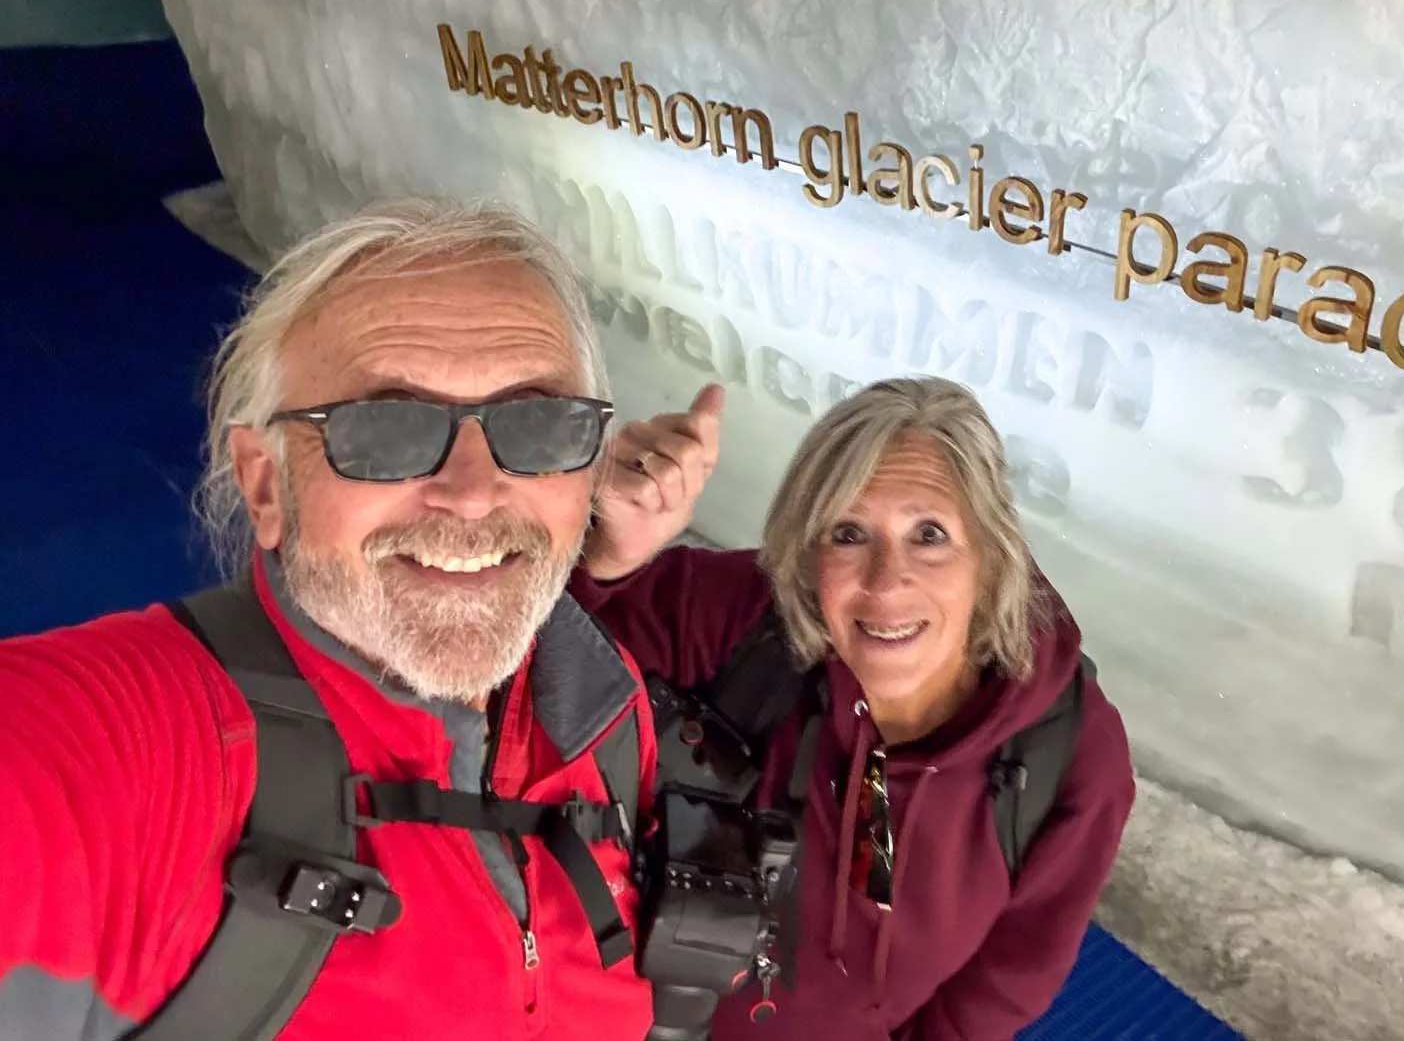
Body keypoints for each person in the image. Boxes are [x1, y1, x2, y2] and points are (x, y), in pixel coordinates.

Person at [0, 198, 711, 1040]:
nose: (475, 492)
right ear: (266, 486)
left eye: (538, 421)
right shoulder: (127, 751)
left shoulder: (599, 707)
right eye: (384, 429)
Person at [579, 376, 1136, 1041]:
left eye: (929, 533)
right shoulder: (748, 623)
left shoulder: (1067, 756)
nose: (884, 581)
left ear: (990, 556)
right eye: (848, 533)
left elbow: (994, 992)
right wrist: (602, 547)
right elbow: (532, 652)